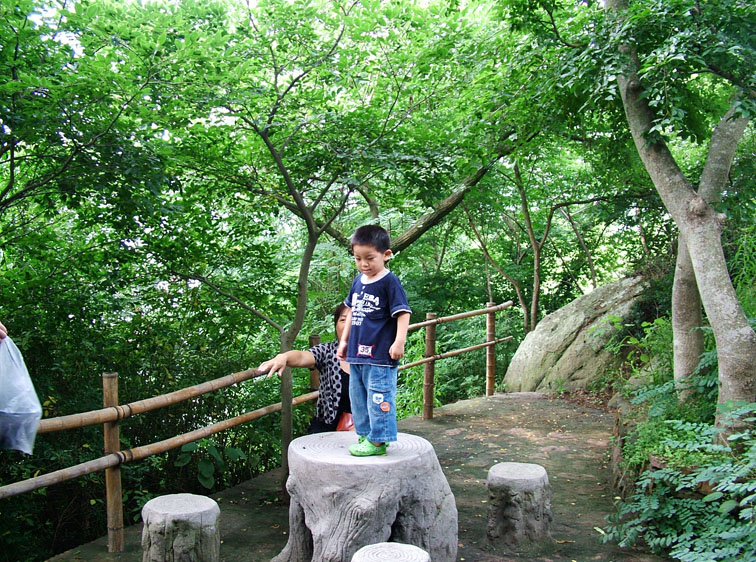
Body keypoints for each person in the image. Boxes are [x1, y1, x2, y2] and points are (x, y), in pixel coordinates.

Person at [337, 224, 411, 457]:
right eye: (358, 258)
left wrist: (399, 342)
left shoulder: (389, 282)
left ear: (386, 255)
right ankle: (365, 435)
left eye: (370, 258)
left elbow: (403, 312)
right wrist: (344, 341)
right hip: (356, 354)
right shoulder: (358, 281)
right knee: (358, 398)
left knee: (379, 397)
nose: (363, 264)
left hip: (380, 355)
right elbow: (351, 311)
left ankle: (378, 442)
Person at [257, 304, 352, 434]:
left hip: (366, 430)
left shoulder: (374, 357)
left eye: (354, 319)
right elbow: (302, 357)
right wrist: (283, 357)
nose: (348, 325)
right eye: (343, 320)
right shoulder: (327, 351)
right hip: (326, 429)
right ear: (336, 325)